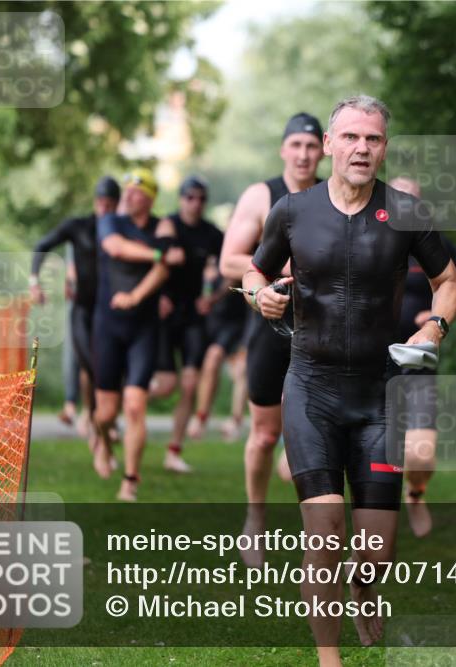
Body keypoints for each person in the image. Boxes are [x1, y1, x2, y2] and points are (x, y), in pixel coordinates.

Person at [244, 95, 456, 664]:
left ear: (383, 148)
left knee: (375, 553)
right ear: (331, 146)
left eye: (373, 140)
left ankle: (365, 586)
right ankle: (328, 658)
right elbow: (254, 271)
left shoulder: (405, 213)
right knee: (324, 530)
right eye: (351, 138)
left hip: (378, 398)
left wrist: (434, 329)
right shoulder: (293, 211)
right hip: (311, 390)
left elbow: (449, 282)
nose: (362, 148)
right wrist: (260, 295)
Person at [219, 112, 324, 565]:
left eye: (311, 146)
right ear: (283, 149)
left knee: (321, 435)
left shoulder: (333, 197)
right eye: (295, 145)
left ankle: (318, 536)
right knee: (263, 436)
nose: (303, 154)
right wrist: (284, 269)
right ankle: (255, 521)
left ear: (323, 149)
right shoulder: (262, 195)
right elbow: (228, 262)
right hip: (271, 326)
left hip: (323, 330)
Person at [387, 176, 456, 538]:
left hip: (417, 355)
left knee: (421, 455)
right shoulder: (366, 241)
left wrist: (437, 321)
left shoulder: (435, 244)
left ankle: (416, 493)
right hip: (369, 359)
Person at [93, 168, 181, 501]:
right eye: (127, 189)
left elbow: (163, 271)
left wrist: (136, 296)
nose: (128, 194)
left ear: (151, 197)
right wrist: (158, 253)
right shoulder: (111, 221)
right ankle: (102, 440)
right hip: (107, 326)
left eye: (137, 190)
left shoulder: (162, 226)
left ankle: (130, 480)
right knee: (105, 413)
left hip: (143, 328)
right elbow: (115, 248)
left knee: (134, 405)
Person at [30, 175, 120, 457]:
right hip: (82, 309)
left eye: (111, 204)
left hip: (109, 312)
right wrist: (35, 281)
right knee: (90, 366)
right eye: (102, 203)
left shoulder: (121, 232)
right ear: (96, 202)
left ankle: (100, 421)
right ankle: (95, 419)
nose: (105, 209)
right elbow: (43, 244)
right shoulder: (78, 227)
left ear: (117, 206)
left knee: (105, 369)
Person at [149, 176, 225, 473]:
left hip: (193, 315)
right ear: (181, 199)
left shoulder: (211, 234)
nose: (195, 203)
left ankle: (173, 451)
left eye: (201, 198)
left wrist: (214, 298)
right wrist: (157, 296)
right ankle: (125, 398)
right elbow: (151, 262)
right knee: (166, 386)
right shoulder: (167, 225)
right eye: (190, 197)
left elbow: (231, 267)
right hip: (167, 314)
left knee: (190, 384)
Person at [187, 259, 248, 441]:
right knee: (218, 365)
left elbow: (235, 276)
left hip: (237, 319)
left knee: (239, 369)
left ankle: (233, 420)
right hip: (213, 320)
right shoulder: (211, 250)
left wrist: (213, 298)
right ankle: (203, 416)